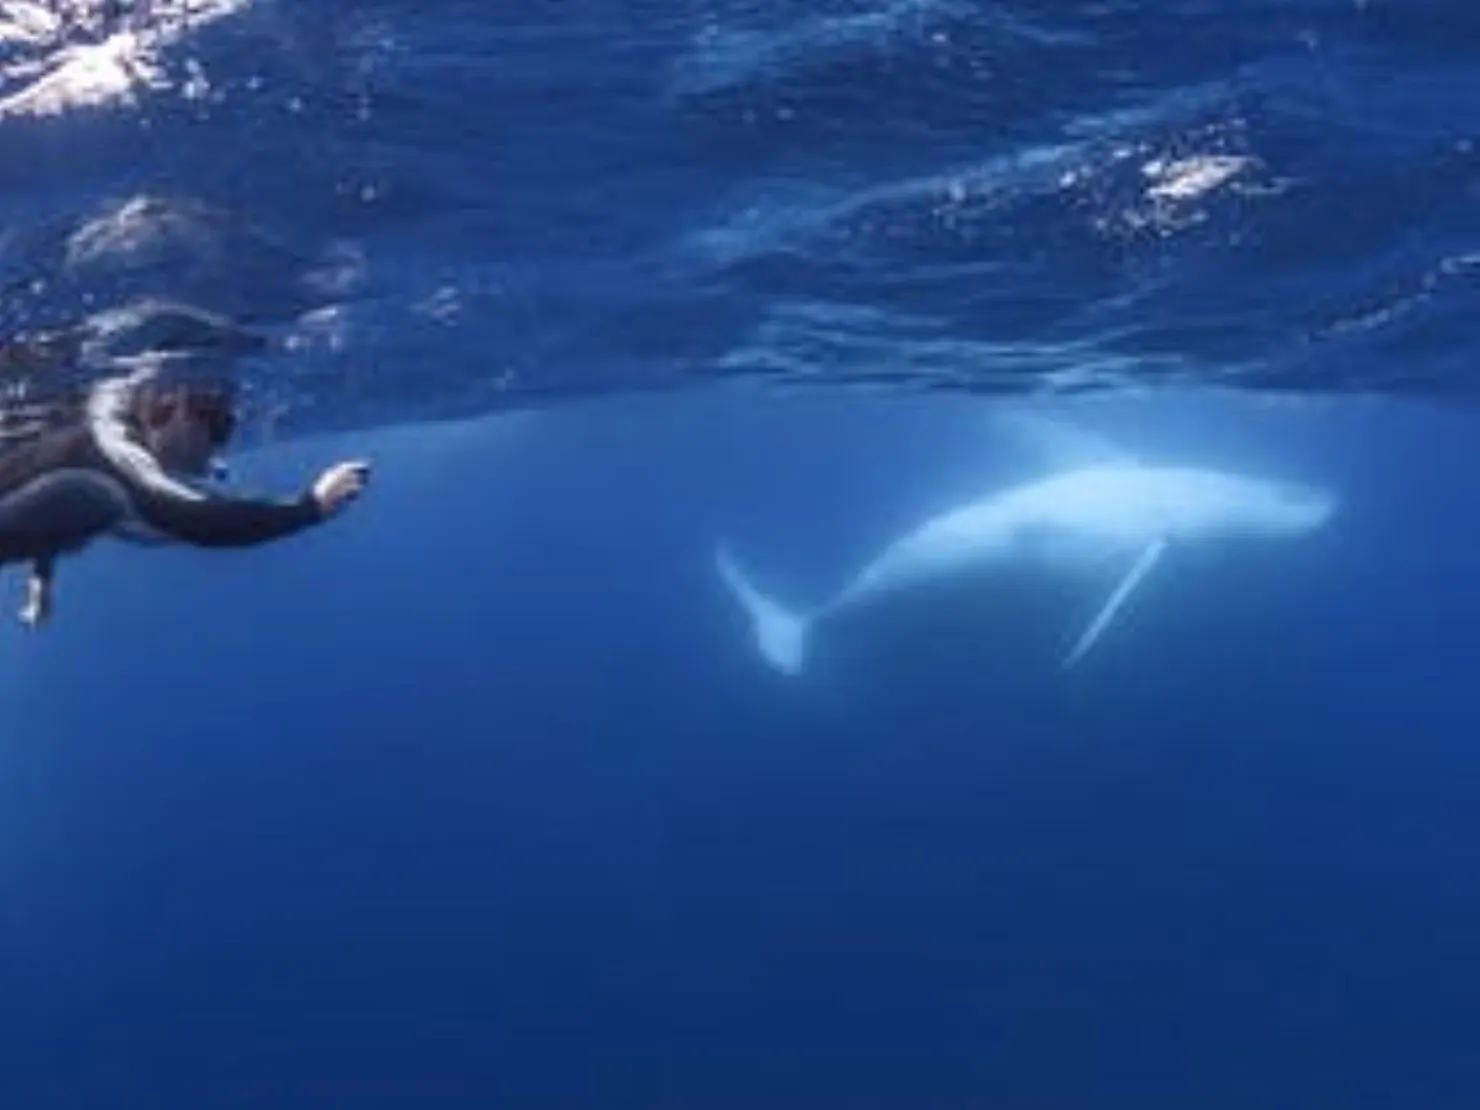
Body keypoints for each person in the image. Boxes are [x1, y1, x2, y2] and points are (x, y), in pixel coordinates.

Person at [0, 367, 370, 628]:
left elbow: (51, 511)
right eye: (215, 421)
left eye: (225, 425)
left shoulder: (98, 469)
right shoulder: (115, 453)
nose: (216, 446)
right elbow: (197, 521)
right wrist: (312, 507)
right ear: (174, 406)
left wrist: (41, 584)